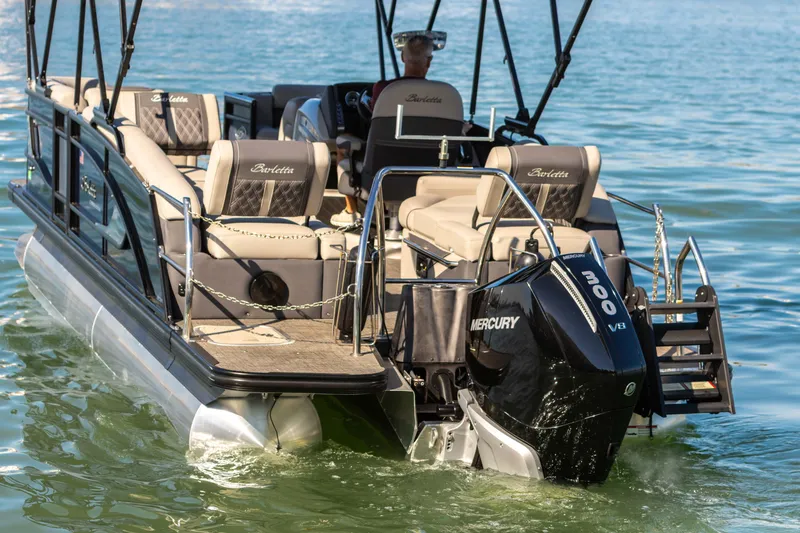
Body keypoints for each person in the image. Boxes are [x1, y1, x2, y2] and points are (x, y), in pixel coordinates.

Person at [330, 34, 435, 228]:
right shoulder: (443, 95)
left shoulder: (383, 89)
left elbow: (371, 116)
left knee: (344, 143)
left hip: (381, 172)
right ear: (429, 61)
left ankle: (351, 212)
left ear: (403, 57)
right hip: (429, 175)